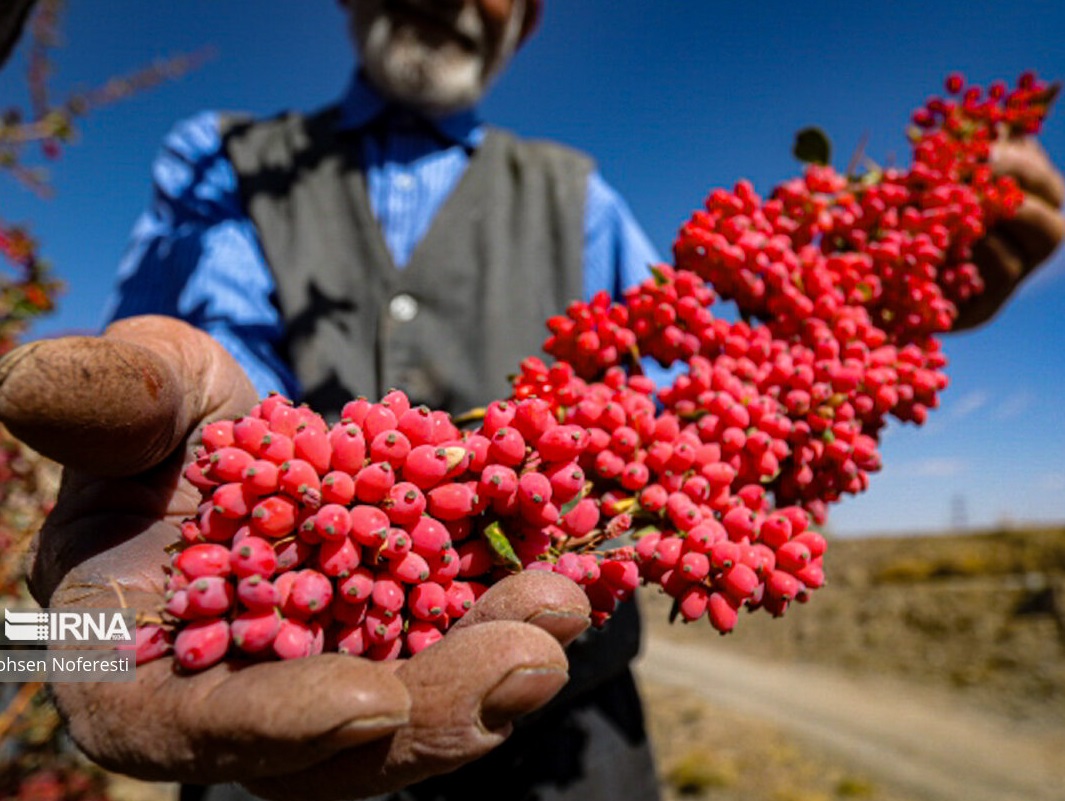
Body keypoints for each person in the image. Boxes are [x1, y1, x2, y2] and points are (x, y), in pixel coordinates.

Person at [0, 2, 1061, 801]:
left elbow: (713, 413)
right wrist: (57, 646)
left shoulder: (577, 190)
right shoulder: (218, 160)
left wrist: (880, 316)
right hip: (263, 738)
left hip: (575, 743)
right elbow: (180, 386)